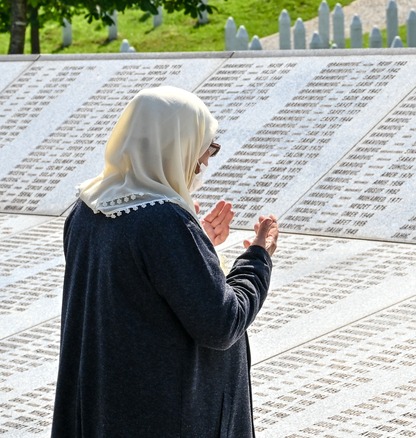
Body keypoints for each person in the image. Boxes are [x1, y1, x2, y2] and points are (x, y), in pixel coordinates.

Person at [51, 86, 278, 437]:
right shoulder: (164, 222)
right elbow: (221, 322)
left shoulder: (87, 207)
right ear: (175, 148)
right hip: (164, 417)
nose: (203, 163)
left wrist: (198, 242)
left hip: (106, 408)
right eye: (204, 150)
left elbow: (136, 281)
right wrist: (257, 259)